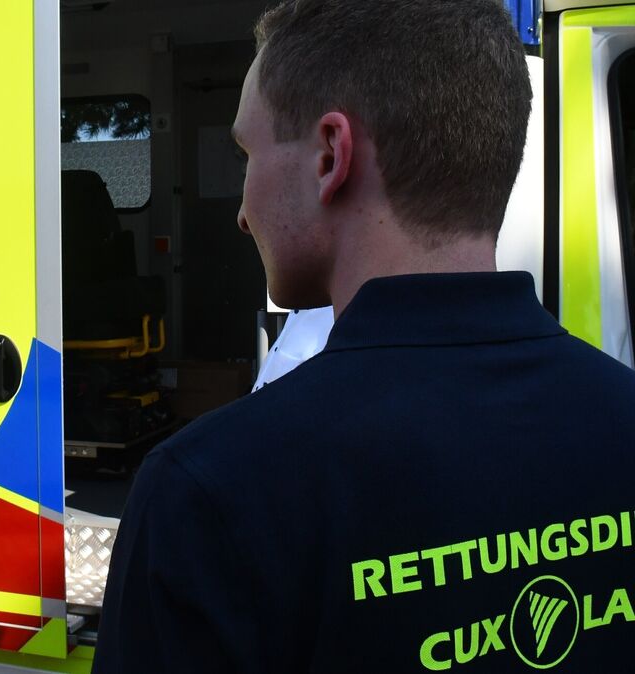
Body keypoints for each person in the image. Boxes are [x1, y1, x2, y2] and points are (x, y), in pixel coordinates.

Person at [94, 0, 635, 671]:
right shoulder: (622, 415)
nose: (240, 211)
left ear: (330, 156)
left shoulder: (208, 495)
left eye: (247, 155)